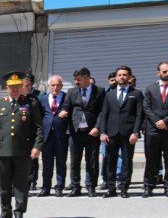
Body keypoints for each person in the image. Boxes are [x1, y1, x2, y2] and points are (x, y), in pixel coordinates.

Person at [0, 71, 44, 218]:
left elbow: (38, 127)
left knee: (21, 183)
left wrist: (36, 146)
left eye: (17, 86)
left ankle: (19, 211)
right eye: (12, 87)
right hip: (2, 150)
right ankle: (6, 212)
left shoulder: (31, 103)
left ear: (22, 87)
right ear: (6, 87)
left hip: (23, 150)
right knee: (4, 183)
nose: (15, 89)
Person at [97, 65, 142, 198]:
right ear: (115, 77)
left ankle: (124, 188)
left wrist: (136, 132)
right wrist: (102, 132)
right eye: (119, 75)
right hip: (111, 133)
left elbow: (139, 114)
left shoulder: (136, 93)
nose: (122, 77)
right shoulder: (109, 94)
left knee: (127, 162)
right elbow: (104, 114)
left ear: (129, 77)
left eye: (125, 75)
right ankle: (111, 188)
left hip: (128, 134)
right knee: (110, 161)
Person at [66, 67, 104, 197]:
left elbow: (102, 112)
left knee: (92, 160)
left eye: (79, 79)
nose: (76, 82)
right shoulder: (71, 92)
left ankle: (90, 186)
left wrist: (97, 127)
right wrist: (64, 111)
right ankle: (75, 186)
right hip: (75, 132)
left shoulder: (99, 91)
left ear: (87, 78)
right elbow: (67, 107)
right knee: (75, 161)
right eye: (75, 80)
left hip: (91, 132)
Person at [39, 75, 71, 197]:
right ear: (49, 86)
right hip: (47, 136)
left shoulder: (67, 98)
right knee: (47, 164)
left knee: (61, 163)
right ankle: (45, 188)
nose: (55, 87)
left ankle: (59, 187)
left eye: (58, 85)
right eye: (53, 85)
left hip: (61, 135)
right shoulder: (42, 99)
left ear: (62, 86)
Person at [140, 60, 168, 197]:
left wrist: (165, 121)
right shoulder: (150, 88)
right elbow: (146, 107)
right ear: (158, 73)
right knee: (151, 160)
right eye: (164, 71)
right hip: (153, 130)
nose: (167, 74)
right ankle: (148, 186)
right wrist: (157, 121)